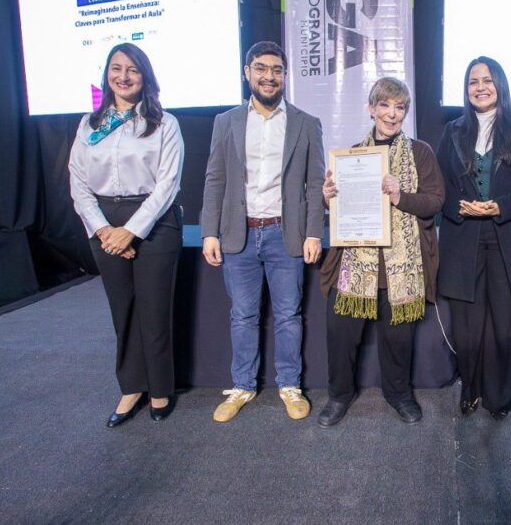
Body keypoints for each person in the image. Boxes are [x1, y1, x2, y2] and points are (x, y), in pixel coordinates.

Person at [200, 41, 325, 422]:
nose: (269, 76)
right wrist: (209, 231)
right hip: (238, 235)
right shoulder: (226, 122)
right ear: (247, 73)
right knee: (242, 316)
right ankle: (242, 385)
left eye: (276, 70)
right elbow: (215, 178)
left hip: (285, 234)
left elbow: (315, 183)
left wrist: (313, 232)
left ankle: (290, 385)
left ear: (285, 75)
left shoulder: (306, 123)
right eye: (261, 68)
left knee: (289, 315)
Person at [317, 77, 445, 427]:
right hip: (357, 265)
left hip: (401, 267)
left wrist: (400, 196)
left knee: (398, 340)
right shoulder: (352, 155)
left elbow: (435, 201)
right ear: (371, 109)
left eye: (399, 107)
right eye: (385, 105)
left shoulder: (420, 152)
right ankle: (339, 396)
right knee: (340, 335)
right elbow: (340, 209)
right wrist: (328, 198)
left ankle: (399, 395)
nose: (392, 113)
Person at [68, 42, 184, 427]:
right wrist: (104, 230)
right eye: (116, 69)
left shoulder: (164, 123)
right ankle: (131, 387)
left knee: (154, 309)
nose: (124, 76)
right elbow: (78, 181)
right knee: (123, 310)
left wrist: (131, 231)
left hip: (154, 221)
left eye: (133, 70)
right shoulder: (89, 124)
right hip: (103, 221)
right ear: (107, 75)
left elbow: (167, 185)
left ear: (144, 77)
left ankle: (160, 388)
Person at [436, 57, 511, 420]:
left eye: (487, 80)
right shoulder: (452, 130)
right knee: (468, 326)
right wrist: (459, 207)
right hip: (463, 237)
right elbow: (438, 186)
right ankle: (470, 390)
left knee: (506, 325)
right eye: (473, 81)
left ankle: (499, 398)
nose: (480, 87)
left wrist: (499, 206)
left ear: (500, 84)